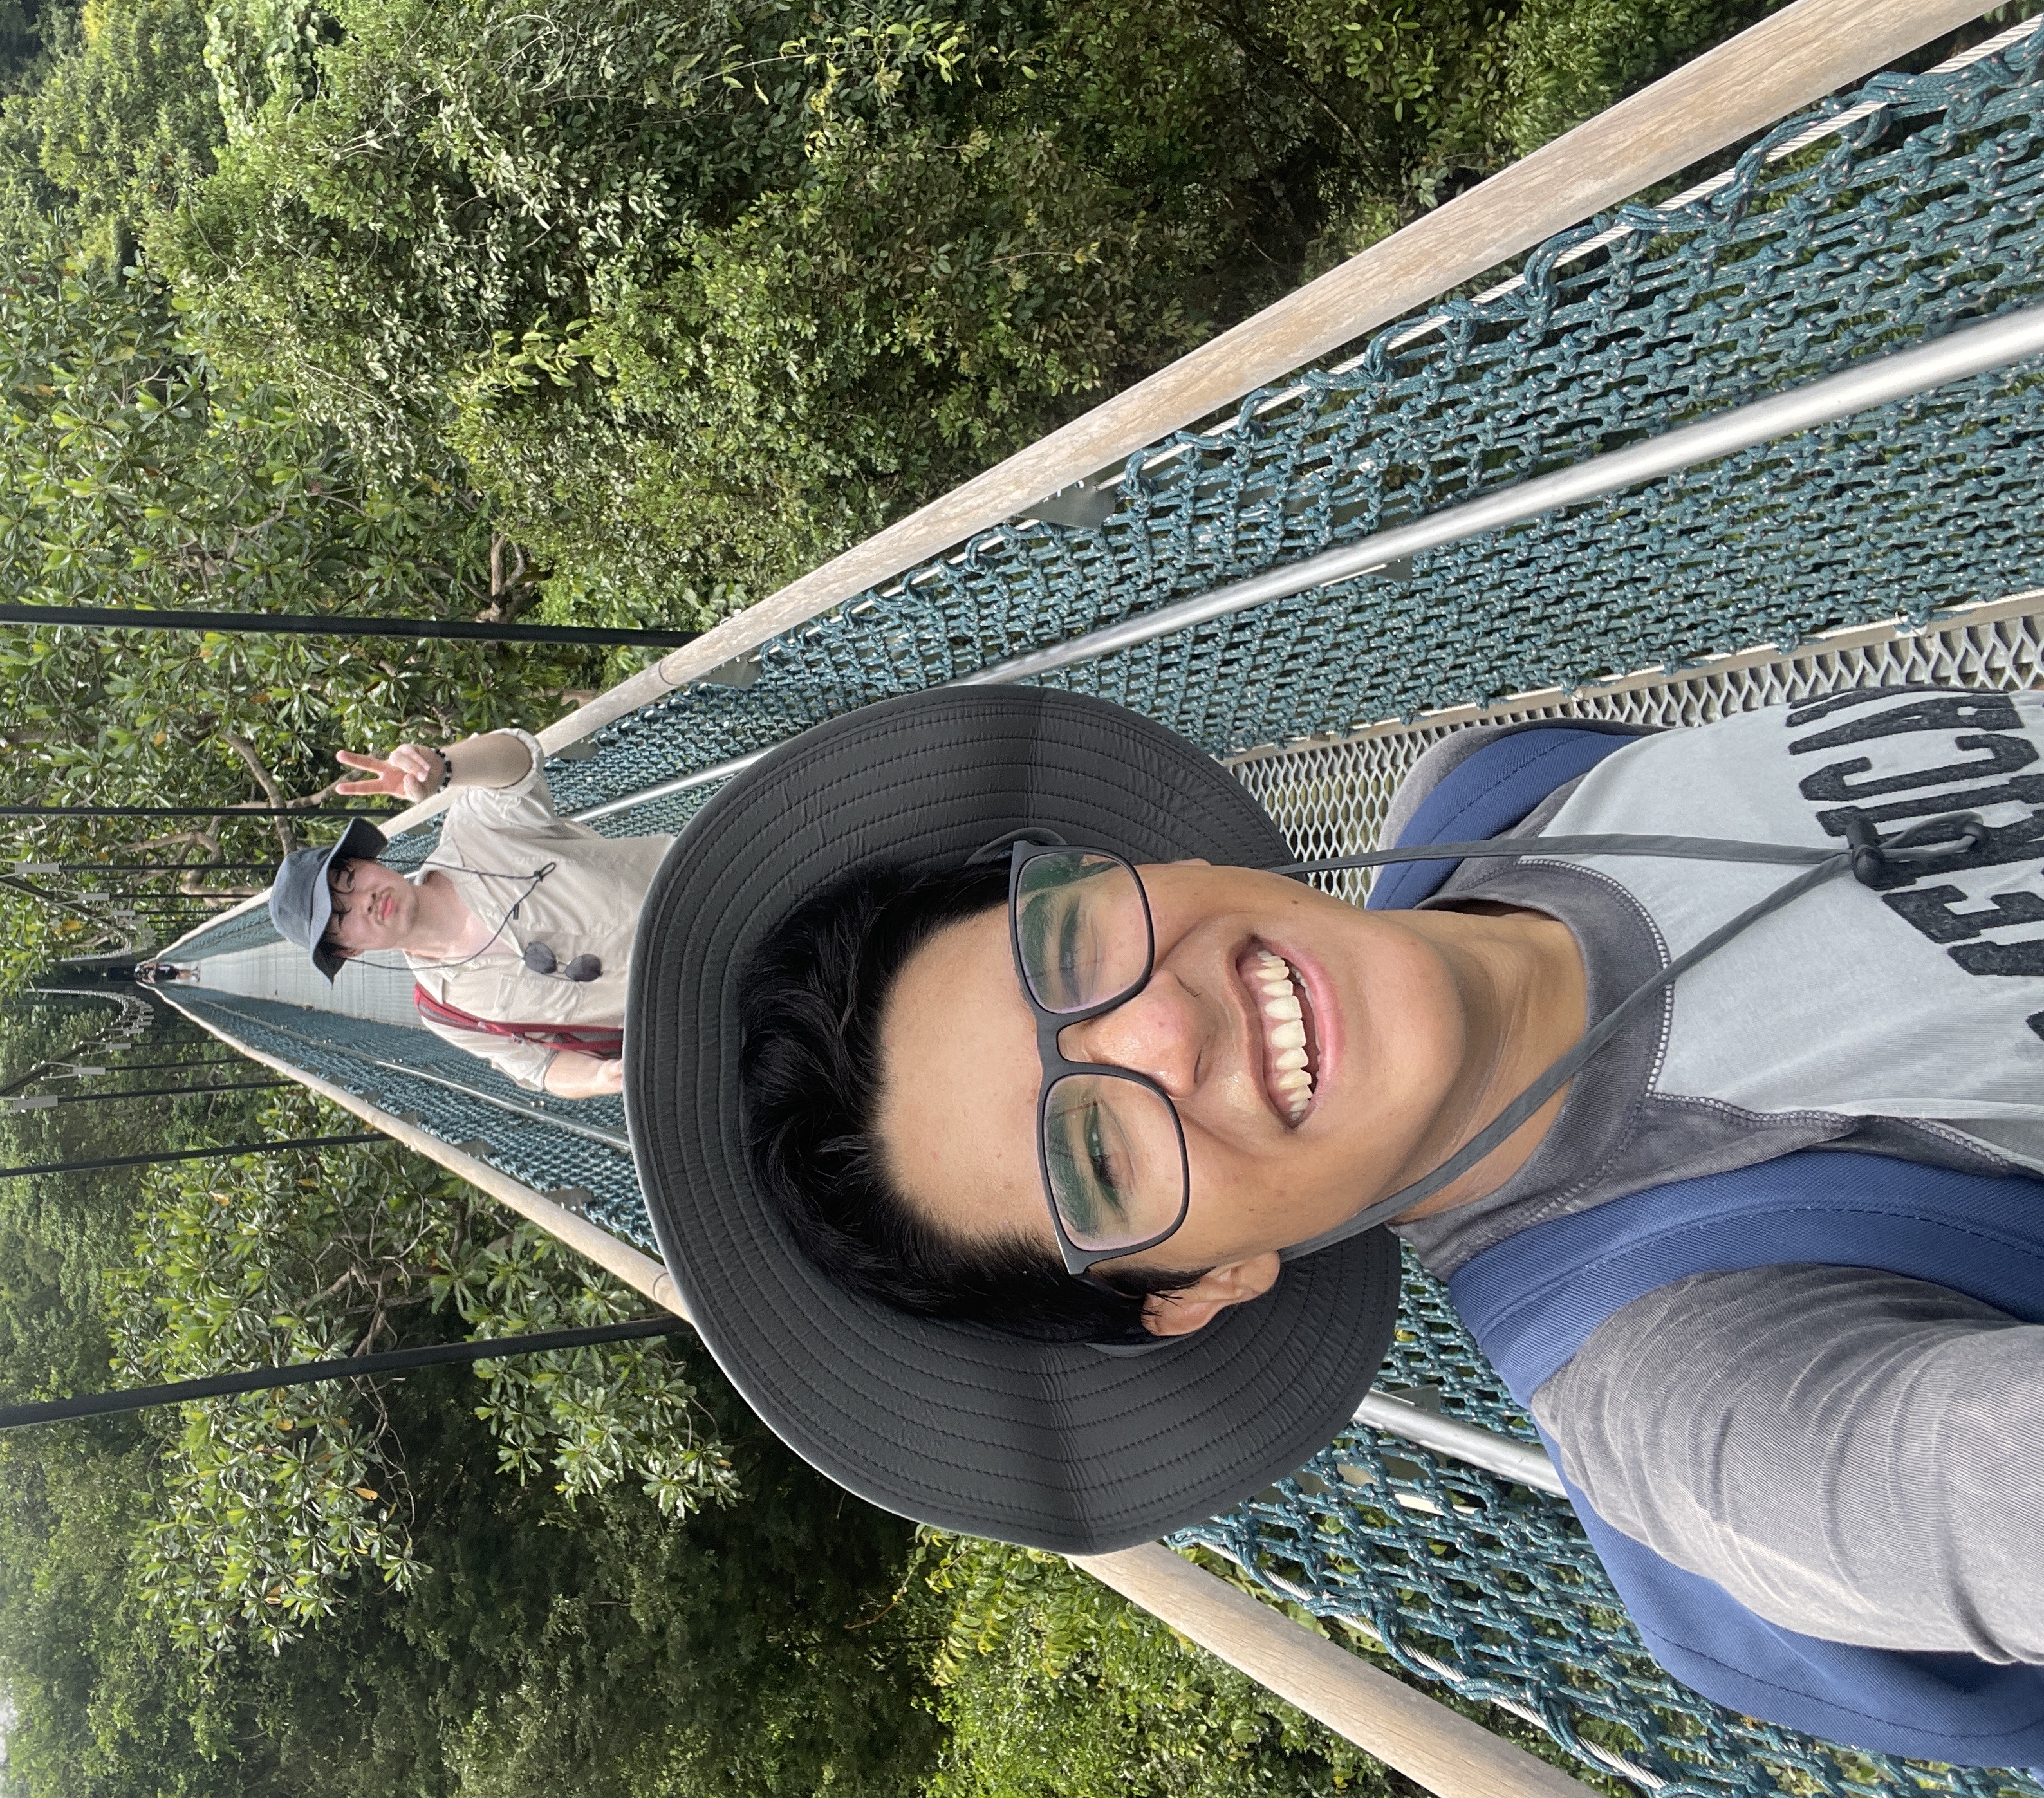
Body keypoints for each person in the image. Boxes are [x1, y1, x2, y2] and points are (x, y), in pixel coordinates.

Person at [622, 681, 2044, 1764]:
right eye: (1102, 1152)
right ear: (1208, 1284)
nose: (1167, 1024)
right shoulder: (1717, 1413)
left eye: (1068, 951)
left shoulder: (1492, 793)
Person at [266, 728, 669, 1098]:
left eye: (349, 879)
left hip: (710, 893)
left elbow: (519, 764)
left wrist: (441, 767)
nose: (364, 901)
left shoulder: (474, 829)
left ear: (370, 861)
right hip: (695, 1005)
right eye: (341, 917)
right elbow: (538, 1067)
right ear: (349, 951)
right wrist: (600, 1078)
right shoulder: (446, 1012)